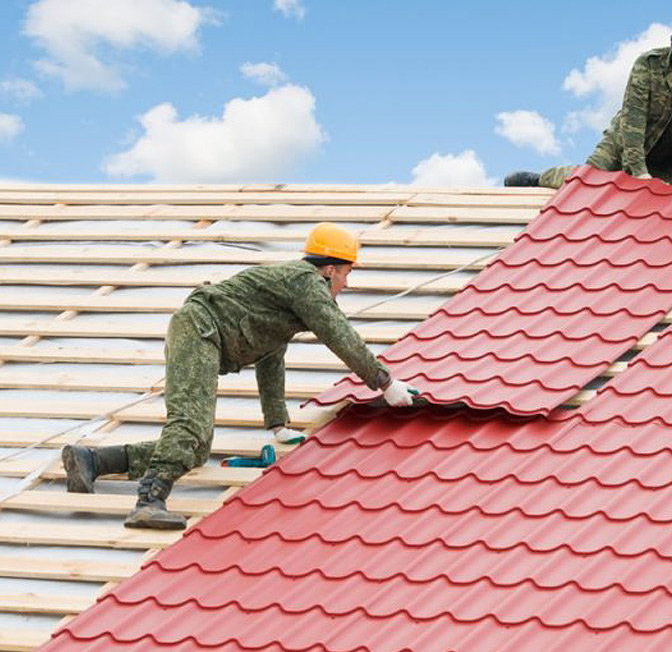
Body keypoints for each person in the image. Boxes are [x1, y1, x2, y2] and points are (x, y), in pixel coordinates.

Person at [60, 223, 415, 530]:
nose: (347, 284)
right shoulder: (305, 284)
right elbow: (340, 336)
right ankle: (149, 502)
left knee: (197, 450)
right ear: (329, 270)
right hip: (200, 329)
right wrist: (384, 382)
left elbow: (271, 355)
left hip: (201, 334)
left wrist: (277, 423)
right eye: (347, 273)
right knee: (189, 427)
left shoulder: (287, 300)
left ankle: (92, 461)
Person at [505, 12, 672, 189]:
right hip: (622, 144)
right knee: (586, 183)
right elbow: (634, 118)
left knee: (657, 208)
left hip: (667, 161)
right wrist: (638, 170)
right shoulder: (648, 65)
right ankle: (540, 179)